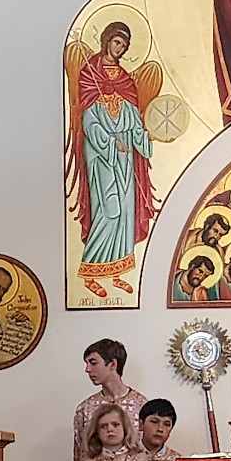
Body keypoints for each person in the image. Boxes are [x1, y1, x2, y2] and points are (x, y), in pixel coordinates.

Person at [68, 22, 156, 300]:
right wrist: (109, 142)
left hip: (125, 162)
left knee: (126, 212)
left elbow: (133, 121)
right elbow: (88, 122)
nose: (120, 49)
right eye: (117, 42)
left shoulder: (125, 81)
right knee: (109, 211)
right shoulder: (89, 75)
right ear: (107, 41)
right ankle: (90, 271)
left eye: (124, 46)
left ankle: (118, 270)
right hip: (102, 160)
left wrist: (145, 137)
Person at [73, 339, 147, 461]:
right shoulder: (85, 408)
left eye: (93, 363)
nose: (87, 369)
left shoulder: (141, 406)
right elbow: (80, 457)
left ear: (112, 364)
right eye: (87, 363)